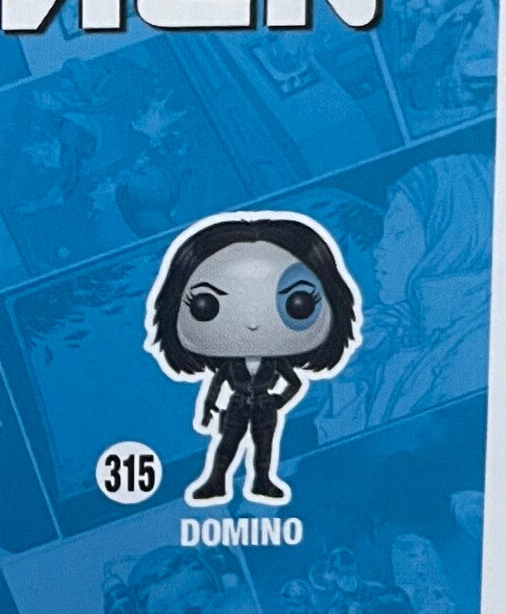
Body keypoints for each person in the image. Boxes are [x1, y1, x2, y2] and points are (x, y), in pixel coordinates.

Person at [146, 212, 360, 506]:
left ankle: (262, 482)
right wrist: (208, 409)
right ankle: (216, 481)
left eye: (297, 304)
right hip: (236, 406)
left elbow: (295, 383)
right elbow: (215, 385)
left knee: (264, 448)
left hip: (264, 408)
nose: (252, 324)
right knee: (227, 446)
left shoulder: (276, 363)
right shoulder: (230, 365)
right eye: (207, 305)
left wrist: (278, 401)